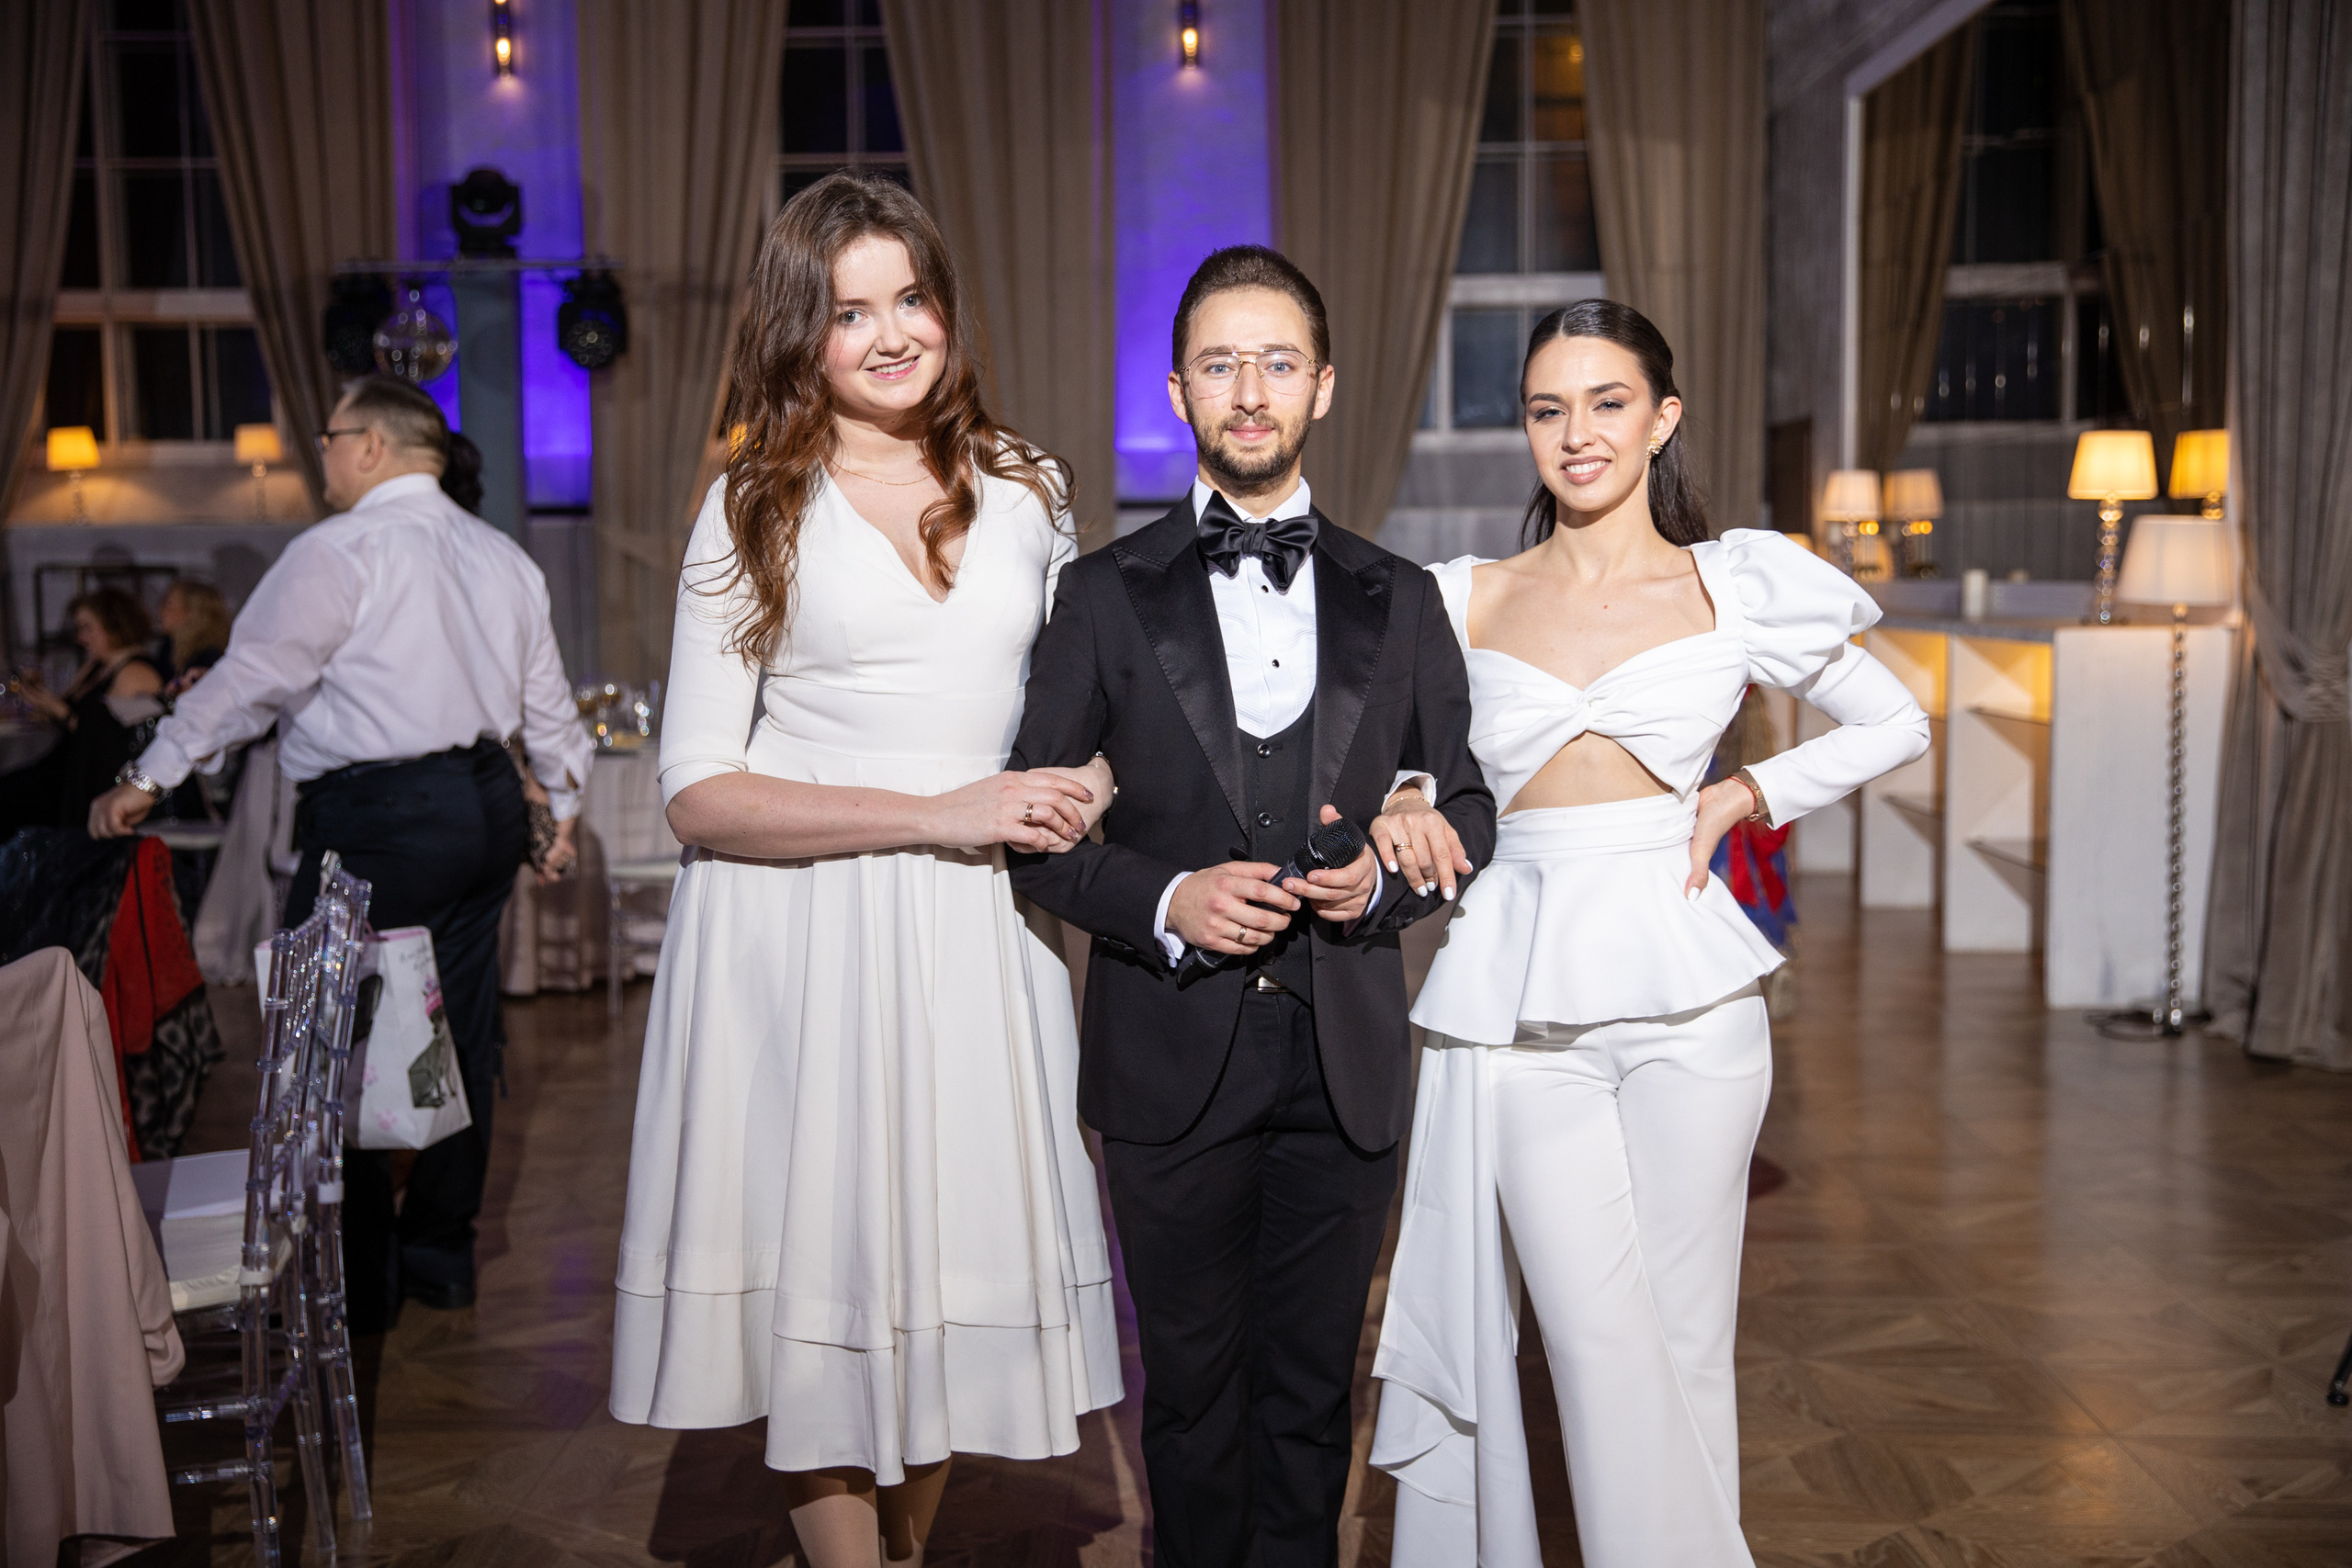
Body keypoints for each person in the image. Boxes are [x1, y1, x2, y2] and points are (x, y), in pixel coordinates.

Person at [608, 173, 1123, 1568]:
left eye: (911, 297)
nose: (892, 333)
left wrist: (1085, 781)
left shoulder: (1032, 488)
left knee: (943, 1268)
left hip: (976, 934)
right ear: (802, 335)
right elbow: (699, 791)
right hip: (804, 939)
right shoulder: (751, 506)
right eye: (850, 312)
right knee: (829, 1274)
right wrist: (933, 808)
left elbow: (1086, 720)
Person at [1367, 299, 1931, 1567]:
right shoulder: (1462, 595)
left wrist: (1748, 791)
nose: (1578, 432)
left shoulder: (1734, 579)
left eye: (1607, 401)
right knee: (1594, 1338)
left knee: (1682, 1344)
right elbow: (1399, 761)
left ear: (1661, 417)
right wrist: (1407, 792)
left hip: (1697, 1003)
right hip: (1520, 1000)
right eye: (1549, 407)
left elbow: (1896, 720)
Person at [1005, 244, 1494, 1568]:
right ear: (1178, 390)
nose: (1251, 388)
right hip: (1168, 1056)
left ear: (1324, 385)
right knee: (1194, 1391)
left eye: (1279, 361)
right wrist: (1163, 890)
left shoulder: (1407, 600)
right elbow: (1031, 838)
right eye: (1221, 363)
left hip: (1345, 1058)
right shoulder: (1102, 595)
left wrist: (1388, 873)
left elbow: (1468, 807)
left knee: (1308, 1395)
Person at [89, 373, 592, 1333]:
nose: (318, 455)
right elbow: (550, 708)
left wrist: (148, 775)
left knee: (345, 1043)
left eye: (325, 438)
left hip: (381, 817)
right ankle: (443, 1254)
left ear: (369, 446)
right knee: (462, 1028)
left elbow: (252, 678)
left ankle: (361, 1283)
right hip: (480, 811)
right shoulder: (501, 556)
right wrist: (560, 810)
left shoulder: (339, 550)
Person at [0, 588, 165, 835]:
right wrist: (36, 696)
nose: (81, 638)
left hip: (87, 781)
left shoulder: (136, 672)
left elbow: (104, 737)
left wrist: (56, 707)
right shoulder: (96, 668)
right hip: (66, 769)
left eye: (87, 628)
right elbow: (67, 716)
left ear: (113, 626)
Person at [156, 579, 231, 691]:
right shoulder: (168, 649)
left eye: (168, 604)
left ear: (193, 612)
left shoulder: (209, 658)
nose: (161, 610)